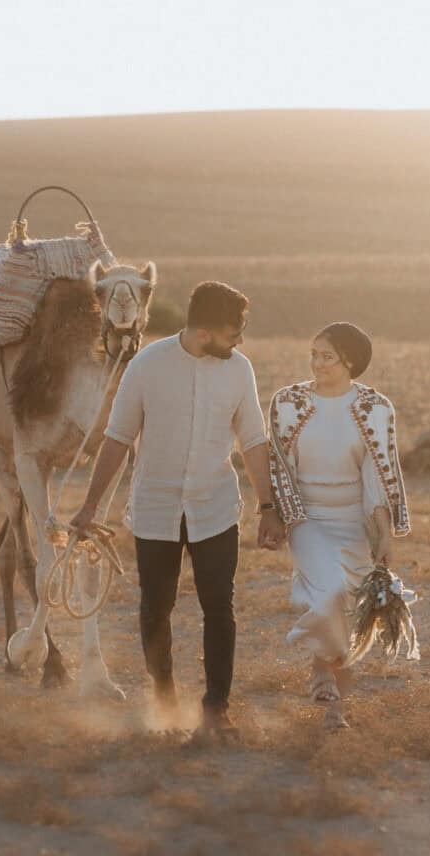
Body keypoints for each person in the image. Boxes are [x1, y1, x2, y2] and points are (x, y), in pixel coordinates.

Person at [70, 281, 284, 734]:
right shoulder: (147, 366)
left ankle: (215, 709)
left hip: (216, 507)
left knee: (219, 607)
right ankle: (163, 694)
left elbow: (253, 440)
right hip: (156, 507)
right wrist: (90, 507)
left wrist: (268, 506)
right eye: (233, 332)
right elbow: (118, 439)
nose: (240, 341)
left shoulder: (239, 370)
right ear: (204, 332)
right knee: (155, 608)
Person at [268, 322, 410, 729]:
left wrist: (383, 534)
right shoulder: (288, 402)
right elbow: (279, 466)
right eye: (313, 354)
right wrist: (277, 515)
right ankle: (320, 667)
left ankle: (335, 708)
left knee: (343, 606)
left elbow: (377, 476)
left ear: (350, 361)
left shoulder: (374, 407)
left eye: (326, 356)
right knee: (327, 592)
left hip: (355, 521)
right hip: (306, 517)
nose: (317, 363)